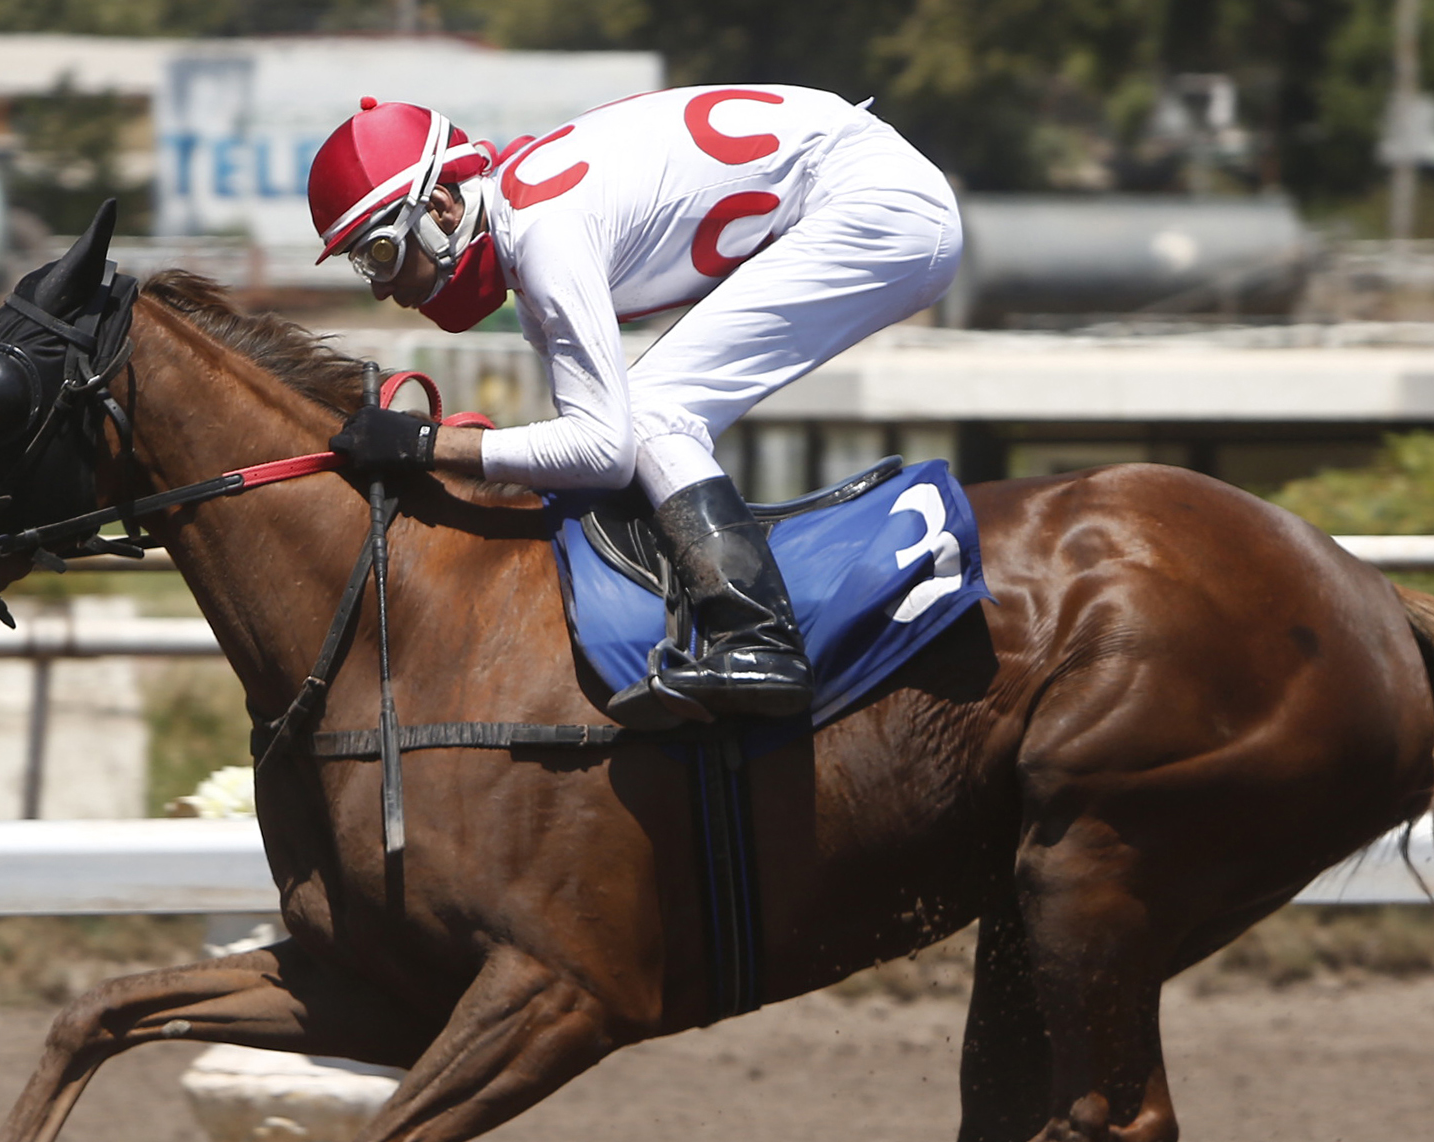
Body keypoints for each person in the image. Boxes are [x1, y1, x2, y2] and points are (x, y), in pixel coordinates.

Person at [308, 86, 962, 723]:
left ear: (440, 209)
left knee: (651, 414)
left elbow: (603, 447)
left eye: (381, 254)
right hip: (866, 188)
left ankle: (758, 640)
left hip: (878, 208)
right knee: (644, 415)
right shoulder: (525, 233)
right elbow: (586, 450)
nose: (381, 290)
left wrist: (428, 445)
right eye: (366, 266)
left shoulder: (544, 235)